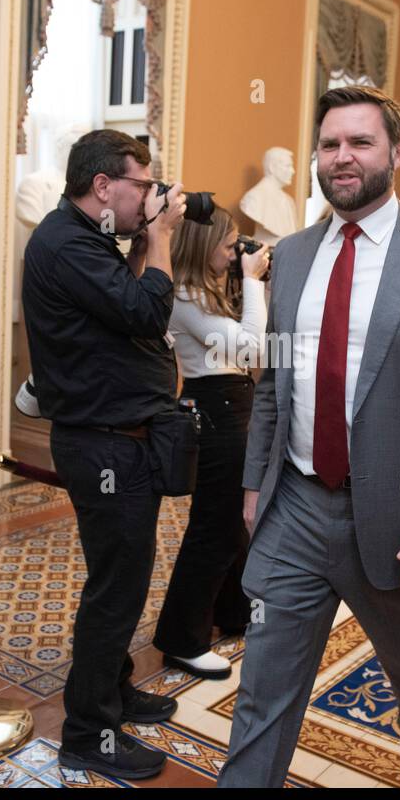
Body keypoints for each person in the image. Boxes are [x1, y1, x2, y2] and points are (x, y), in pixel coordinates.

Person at [218, 85, 400, 788]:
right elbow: (273, 386)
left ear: (397, 151)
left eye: (361, 141)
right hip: (296, 506)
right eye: (329, 143)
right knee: (262, 693)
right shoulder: (290, 255)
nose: (342, 157)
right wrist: (257, 483)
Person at [21, 129, 187, 780]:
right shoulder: (65, 244)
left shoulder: (86, 239)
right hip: (104, 447)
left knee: (124, 577)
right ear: (102, 186)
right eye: (140, 186)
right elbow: (146, 312)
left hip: (120, 440)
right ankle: (88, 732)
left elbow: (123, 318)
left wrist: (145, 234)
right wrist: (163, 237)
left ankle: (113, 687)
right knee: (114, 590)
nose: (148, 198)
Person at [153, 210, 271, 679]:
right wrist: (253, 282)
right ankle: (181, 640)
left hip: (234, 403)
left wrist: (248, 283)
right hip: (215, 411)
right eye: (228, 244)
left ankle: (232, 611)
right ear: (205, 247)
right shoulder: (184, 297)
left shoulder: (210, 291)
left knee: (231, 525)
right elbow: (253, 350)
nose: (233, 252)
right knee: (214, 528)